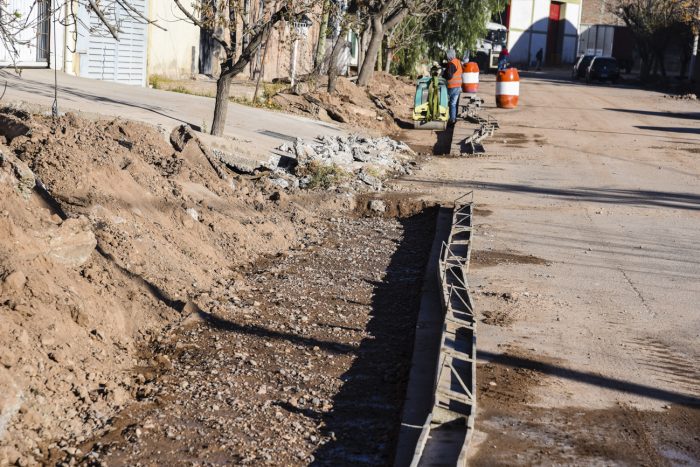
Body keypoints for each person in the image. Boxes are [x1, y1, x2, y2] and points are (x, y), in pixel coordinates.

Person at [442, 48, 462, 124]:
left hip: (452, 86)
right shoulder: (457, 62)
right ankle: (453, 119)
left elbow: (449, 76)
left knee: (445, 101)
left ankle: (445, 118)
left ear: (449, 56)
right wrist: (443, 64)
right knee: (453, 104)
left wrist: (443, 75)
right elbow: (453, 69)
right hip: (458, 86)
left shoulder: (451, 64)